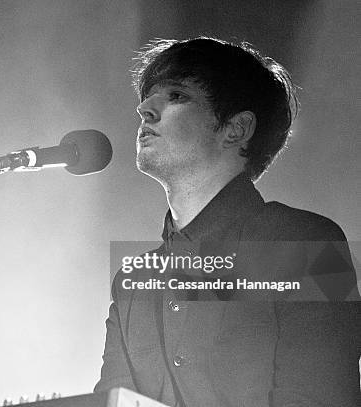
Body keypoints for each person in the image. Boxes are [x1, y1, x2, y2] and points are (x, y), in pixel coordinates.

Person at [94, 37, 360, 407]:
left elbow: (320, 398)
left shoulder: (304, 245)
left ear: (236, 129)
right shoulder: (132, 281)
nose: (145, 110)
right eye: (147, 96)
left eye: (176, 96)